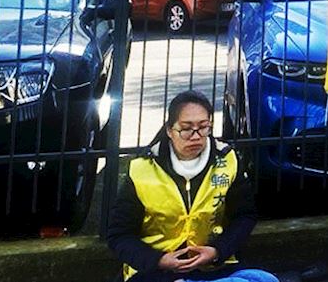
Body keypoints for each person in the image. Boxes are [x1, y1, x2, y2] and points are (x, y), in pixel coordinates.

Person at [107, 90, 277, 282]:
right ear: (169, 130)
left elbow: (245, 216)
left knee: (264, 279)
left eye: (203, 127)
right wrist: (159, 260)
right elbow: (119, 235)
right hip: (155, 272)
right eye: (186, 129)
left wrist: (216, 251)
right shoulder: (142, 169)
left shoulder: (228, 161)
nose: (196, 136)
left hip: (212, 267)